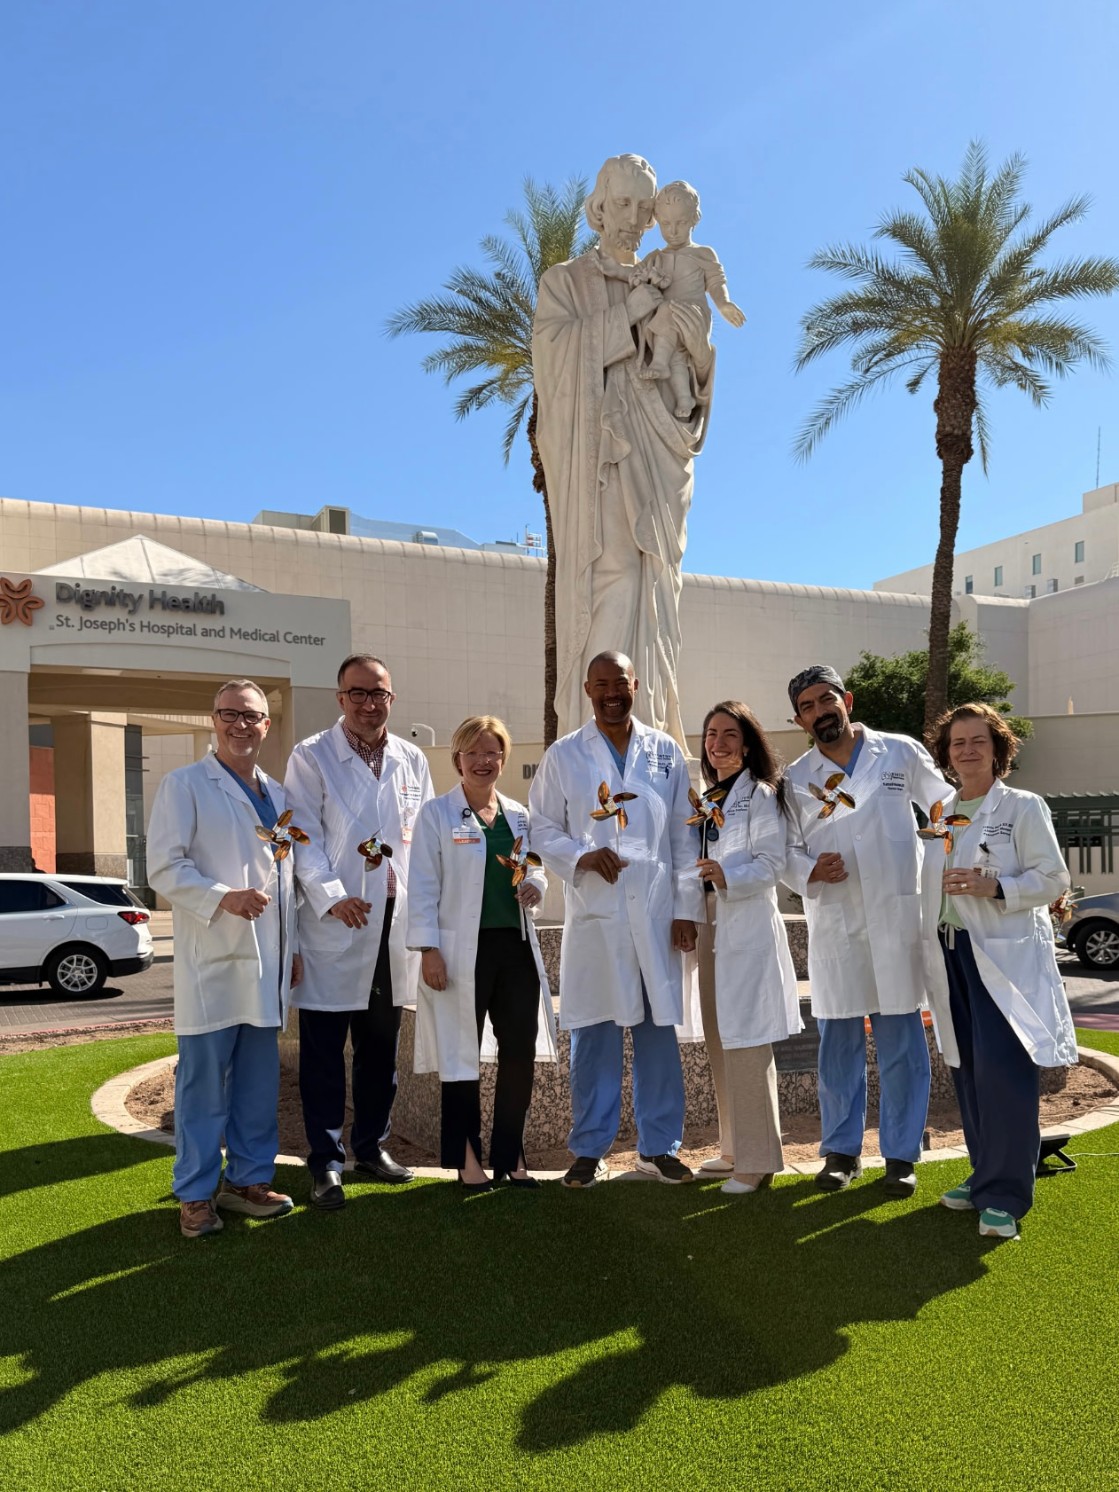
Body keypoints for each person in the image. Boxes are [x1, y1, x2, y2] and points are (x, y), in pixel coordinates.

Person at [532, 153, 718, 744]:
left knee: (657, 580)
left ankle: (655, 725)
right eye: (622, 204)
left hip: (659, 452)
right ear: (598, 207)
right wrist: (623, 318)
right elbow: (553, 360)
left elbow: (697, 364)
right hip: (601, 458)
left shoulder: (668, 274)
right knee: (614, 570)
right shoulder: (566, 281)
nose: (635, 219)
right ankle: (595, 733)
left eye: (644, 208)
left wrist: (692, 345)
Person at [529, 651, 703, 1187]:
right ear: (587, 689)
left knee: (657, 1034)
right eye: (601, 684)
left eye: (620, 683)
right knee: (594, 1033)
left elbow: (684, 835)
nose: (612, 693)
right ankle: (589, 1149)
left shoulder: (666, 751)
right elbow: (540, 827)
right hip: (597, 917)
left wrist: (685, 908)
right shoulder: (564, 754)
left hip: (655, 915)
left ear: (635, 685)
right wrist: (581, 855)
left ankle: (659, 1147)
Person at [783, 664, 946, 1196]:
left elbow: (944, 808)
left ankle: (901, 1156)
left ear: (846, 700)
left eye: (826, 699)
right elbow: (783, 849)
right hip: (837, 923)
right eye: (807, 707)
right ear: (799, 720)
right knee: (838, 1046)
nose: (819, 712)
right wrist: (809, 869)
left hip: (896, 918)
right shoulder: (795, 779)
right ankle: (841, 1153)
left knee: (902, 1044)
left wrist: (943, 865)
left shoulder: (898, 752)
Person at [147, 679, 301, 1239]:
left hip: (267, 965)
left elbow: (287, 880)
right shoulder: (185, 784)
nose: (241, 725)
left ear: (266, 724)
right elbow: (163, 867)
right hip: (211, 962)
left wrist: (293, 949)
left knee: (258, 1085)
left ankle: (249, 1181)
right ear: (214, 720)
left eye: (251, 716)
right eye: (230, 714)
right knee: (203, 1086)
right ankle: (194, 1194)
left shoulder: (278, 794)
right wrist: (223, 898)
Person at [283, 653, 434, 1210]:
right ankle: (326, 1162)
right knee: (324, 1053)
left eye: (379, 694)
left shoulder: (412, 758)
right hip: (336, 921)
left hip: (393, 921)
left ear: (392, 698)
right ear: (340, 697)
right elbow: (301, 836)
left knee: (379, 1048)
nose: (370, 704)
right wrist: (332, 895)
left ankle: (372, 1146)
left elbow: (423, 838)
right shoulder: (312, 755)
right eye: (359, 694)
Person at [922, 703, 1076, 1240]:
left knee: (1004, 1073)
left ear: (997, 749)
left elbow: (1053, 878)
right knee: (966, 1069)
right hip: (950, 952)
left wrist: (997, 887)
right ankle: (985, 1171)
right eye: (957, 742)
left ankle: (1006, 1195)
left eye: (978, 741)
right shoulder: (940, 811)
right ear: (946, 753)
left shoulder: (1023, 806)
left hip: (1001, 956)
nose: (967, 751)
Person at [406, 715, 557, 1189]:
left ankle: (511, 1155)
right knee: (460, 1053)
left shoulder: (519, 815)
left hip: (514, 948)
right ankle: (466, 1157)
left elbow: (536, 867)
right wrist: (428, 949)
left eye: (491, 752)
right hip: (459, 953)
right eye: (473, 752)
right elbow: (422, 886)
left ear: (503, 758)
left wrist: (535, 886)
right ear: (458, 758)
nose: (482, 761)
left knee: (519, 1051)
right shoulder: (436, 815)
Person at [692, 702, 801, 1196]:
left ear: (748, 743)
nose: (718, 743)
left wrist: (726, 875)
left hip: (746, 923)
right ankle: (734, 1147)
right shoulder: (708, 798)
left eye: (730, 734)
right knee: (720, 1035)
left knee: (747, 1038)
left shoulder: (760, 794)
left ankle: (758, 1161)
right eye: (711, 734)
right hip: (712, 924)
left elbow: (772, 864)